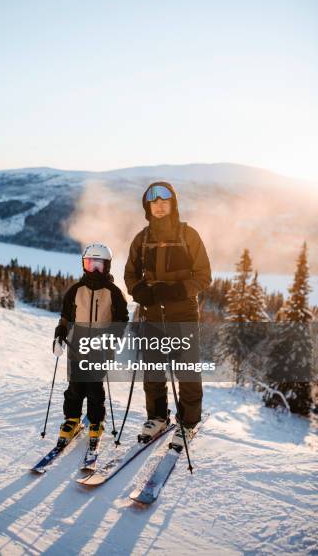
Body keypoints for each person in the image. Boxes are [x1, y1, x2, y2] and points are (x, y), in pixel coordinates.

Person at [124, 181, 211, 443]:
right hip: (151, 313)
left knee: (187, 371)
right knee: (153, 370)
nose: (160, 206)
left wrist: (178, 290)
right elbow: (130, 275)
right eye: (154, 202)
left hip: (183, 313)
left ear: (173, 204)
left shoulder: (188, 235)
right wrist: (139, 292)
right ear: (148, 207)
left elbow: (204, 276)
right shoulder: (142, 239)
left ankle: (189, 421)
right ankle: (158, 417)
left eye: (165, 201)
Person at [54, 242, 128, 442]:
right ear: (83, 265)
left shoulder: (114, 292)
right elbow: (65, 316)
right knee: (75, 386)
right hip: (76, 344)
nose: (94, 270)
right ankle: (72, 419)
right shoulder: (75, 290)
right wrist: (60, 332)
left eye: (99, 265)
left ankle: (96, 421)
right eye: (89, 264)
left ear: (108, 266)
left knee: (95, 387)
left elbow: (122, 319)